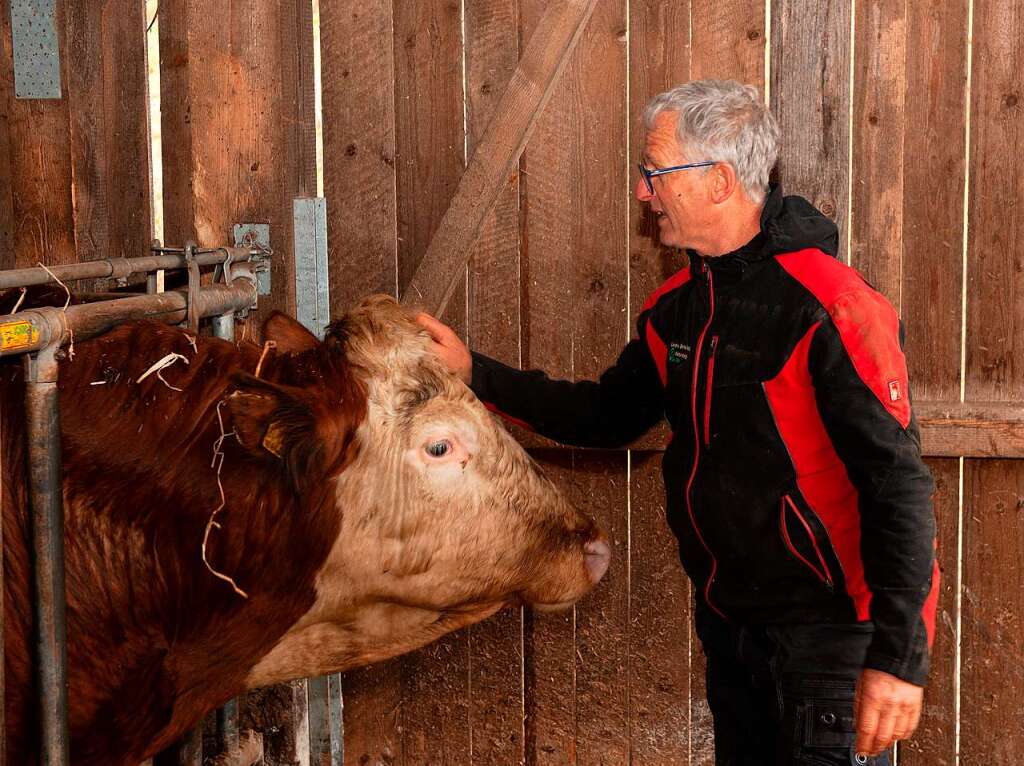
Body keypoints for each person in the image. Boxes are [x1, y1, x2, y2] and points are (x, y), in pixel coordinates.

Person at [416, 79, 938, 766]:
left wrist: (899, 660)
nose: (642, 192)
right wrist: (475, 373)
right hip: (730, 629)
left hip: (831, 639)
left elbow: (898, 487)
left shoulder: (831, 307)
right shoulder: (677, 309)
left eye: (654, 173)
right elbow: (605, 415)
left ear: (720, 180)